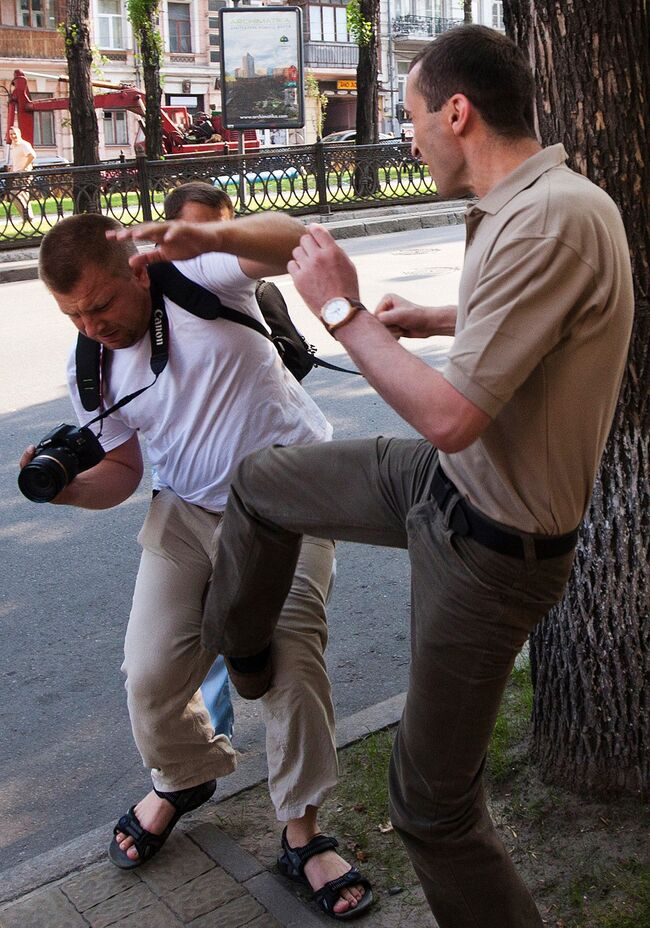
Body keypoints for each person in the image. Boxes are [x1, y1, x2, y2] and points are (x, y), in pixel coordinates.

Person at [117, 24, 635, 928]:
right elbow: (517, 322)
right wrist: (433, 317)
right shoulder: (529, 205)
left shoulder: (554, 217)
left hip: (490, 548)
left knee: (428, 811)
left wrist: (342, 308)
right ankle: (246, 652)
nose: (409, 136)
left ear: (458, 111)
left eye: (412, 117)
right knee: (267, 481)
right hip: (446, 484)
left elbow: (447, 415)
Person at [21, 211, 373, 920]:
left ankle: (301, 833)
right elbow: (121, 470)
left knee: (291, 659)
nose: (91, 325)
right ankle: (185, 778)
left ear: (137, 269)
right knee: (149, 673)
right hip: (185, 509)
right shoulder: (87, 364)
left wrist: (218, 235)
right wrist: (67, 492)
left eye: (100, 305)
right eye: (72, 314)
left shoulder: (195, 275)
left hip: (287, 495)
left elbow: (294, 243)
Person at [163, 181, 236, 738]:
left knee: (276, 638)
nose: (204, 252)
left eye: (215, 234)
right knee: (198, 625)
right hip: (188, 495)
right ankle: (216, 734)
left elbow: (287, 243)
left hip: (258, 484)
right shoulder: (153, 300)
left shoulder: (229, 279)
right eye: (191, 238)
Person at [8, 125, 35, 221]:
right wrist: (13, 168)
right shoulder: (13, 146)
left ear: (19, 134)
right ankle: (28, 217)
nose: (13, 136)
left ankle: (27, 217)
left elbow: (32, 155)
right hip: (18, 174)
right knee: (22, 195)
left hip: (24, 174)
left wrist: (23, 168)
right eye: (11, 134)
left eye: (14, 134)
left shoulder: (24, 144)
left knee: (14, 194)